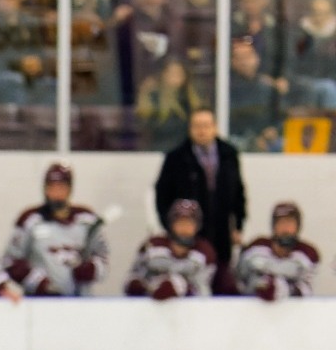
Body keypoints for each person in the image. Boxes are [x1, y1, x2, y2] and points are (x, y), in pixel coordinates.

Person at [154, 108, 244, 294]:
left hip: (221, 231)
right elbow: (162, 195)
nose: (202, 131)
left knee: (223, 282)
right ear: (190, 128)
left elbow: (238, 192)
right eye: (197, 126)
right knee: (193, 283)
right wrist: (170, 227)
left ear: (214, 127)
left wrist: (238, 225)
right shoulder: (176, 158)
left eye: (206, 126)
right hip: (188, 234)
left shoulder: (229, 155)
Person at [5, 163, 109, 297]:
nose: (55, 192)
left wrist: (91, 269)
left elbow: (103, 258)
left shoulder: (87, 220)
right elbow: (10, 261)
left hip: (81, 302)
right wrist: (39, 283)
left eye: (60, 187)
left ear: (69, 189)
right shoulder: (31, 219)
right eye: (51, 187)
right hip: (41, 302)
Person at [126, 198, 220, 298]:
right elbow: (136, 276)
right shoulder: (154, 244)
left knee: (176, 283)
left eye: (189, 223)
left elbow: (201, 284)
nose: (184, 228)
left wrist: (175, 281)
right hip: (150, 299)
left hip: (191, 301)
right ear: (171, 224)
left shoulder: (205, 251)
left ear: (197, 226)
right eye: (180, 222)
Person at [234, 201, 319, 300]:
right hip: (253, 305)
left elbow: (304, 287)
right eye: (281, 222)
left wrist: (265, 269)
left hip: (293, 307)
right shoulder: (257, 246)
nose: (285, 228)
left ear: (298, 226)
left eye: (290, 222)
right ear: (274, 226)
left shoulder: (307, 252)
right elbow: (242, 276)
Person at [227, 37, 286, 152]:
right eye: (239, 58)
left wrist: (274, 129)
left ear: (257, 58)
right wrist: (254, 137)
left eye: (247, 56)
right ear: (232, 61)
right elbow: (234, 118)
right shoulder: (227, 87)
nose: (244, 62)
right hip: (238, 137)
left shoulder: (267, 86)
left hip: (267, 138)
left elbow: (279, 114)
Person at [135, 60, 201, 152]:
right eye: (172, 73)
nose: (175, 78)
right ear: (164, 75)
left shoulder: (190, 100)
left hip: (187, 151)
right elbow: (146, 126)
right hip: (160, 150)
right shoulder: (154, 98)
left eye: (179, 74)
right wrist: (144, 93)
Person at [288, 0, 336, 110]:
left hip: (331, 80)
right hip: (303, 79)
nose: (319, 16)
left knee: (328, 88)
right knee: (321, 88)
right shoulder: (299, 34)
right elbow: (293, 61)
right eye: (316, 12)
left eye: (324, 12)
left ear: (331, 14)